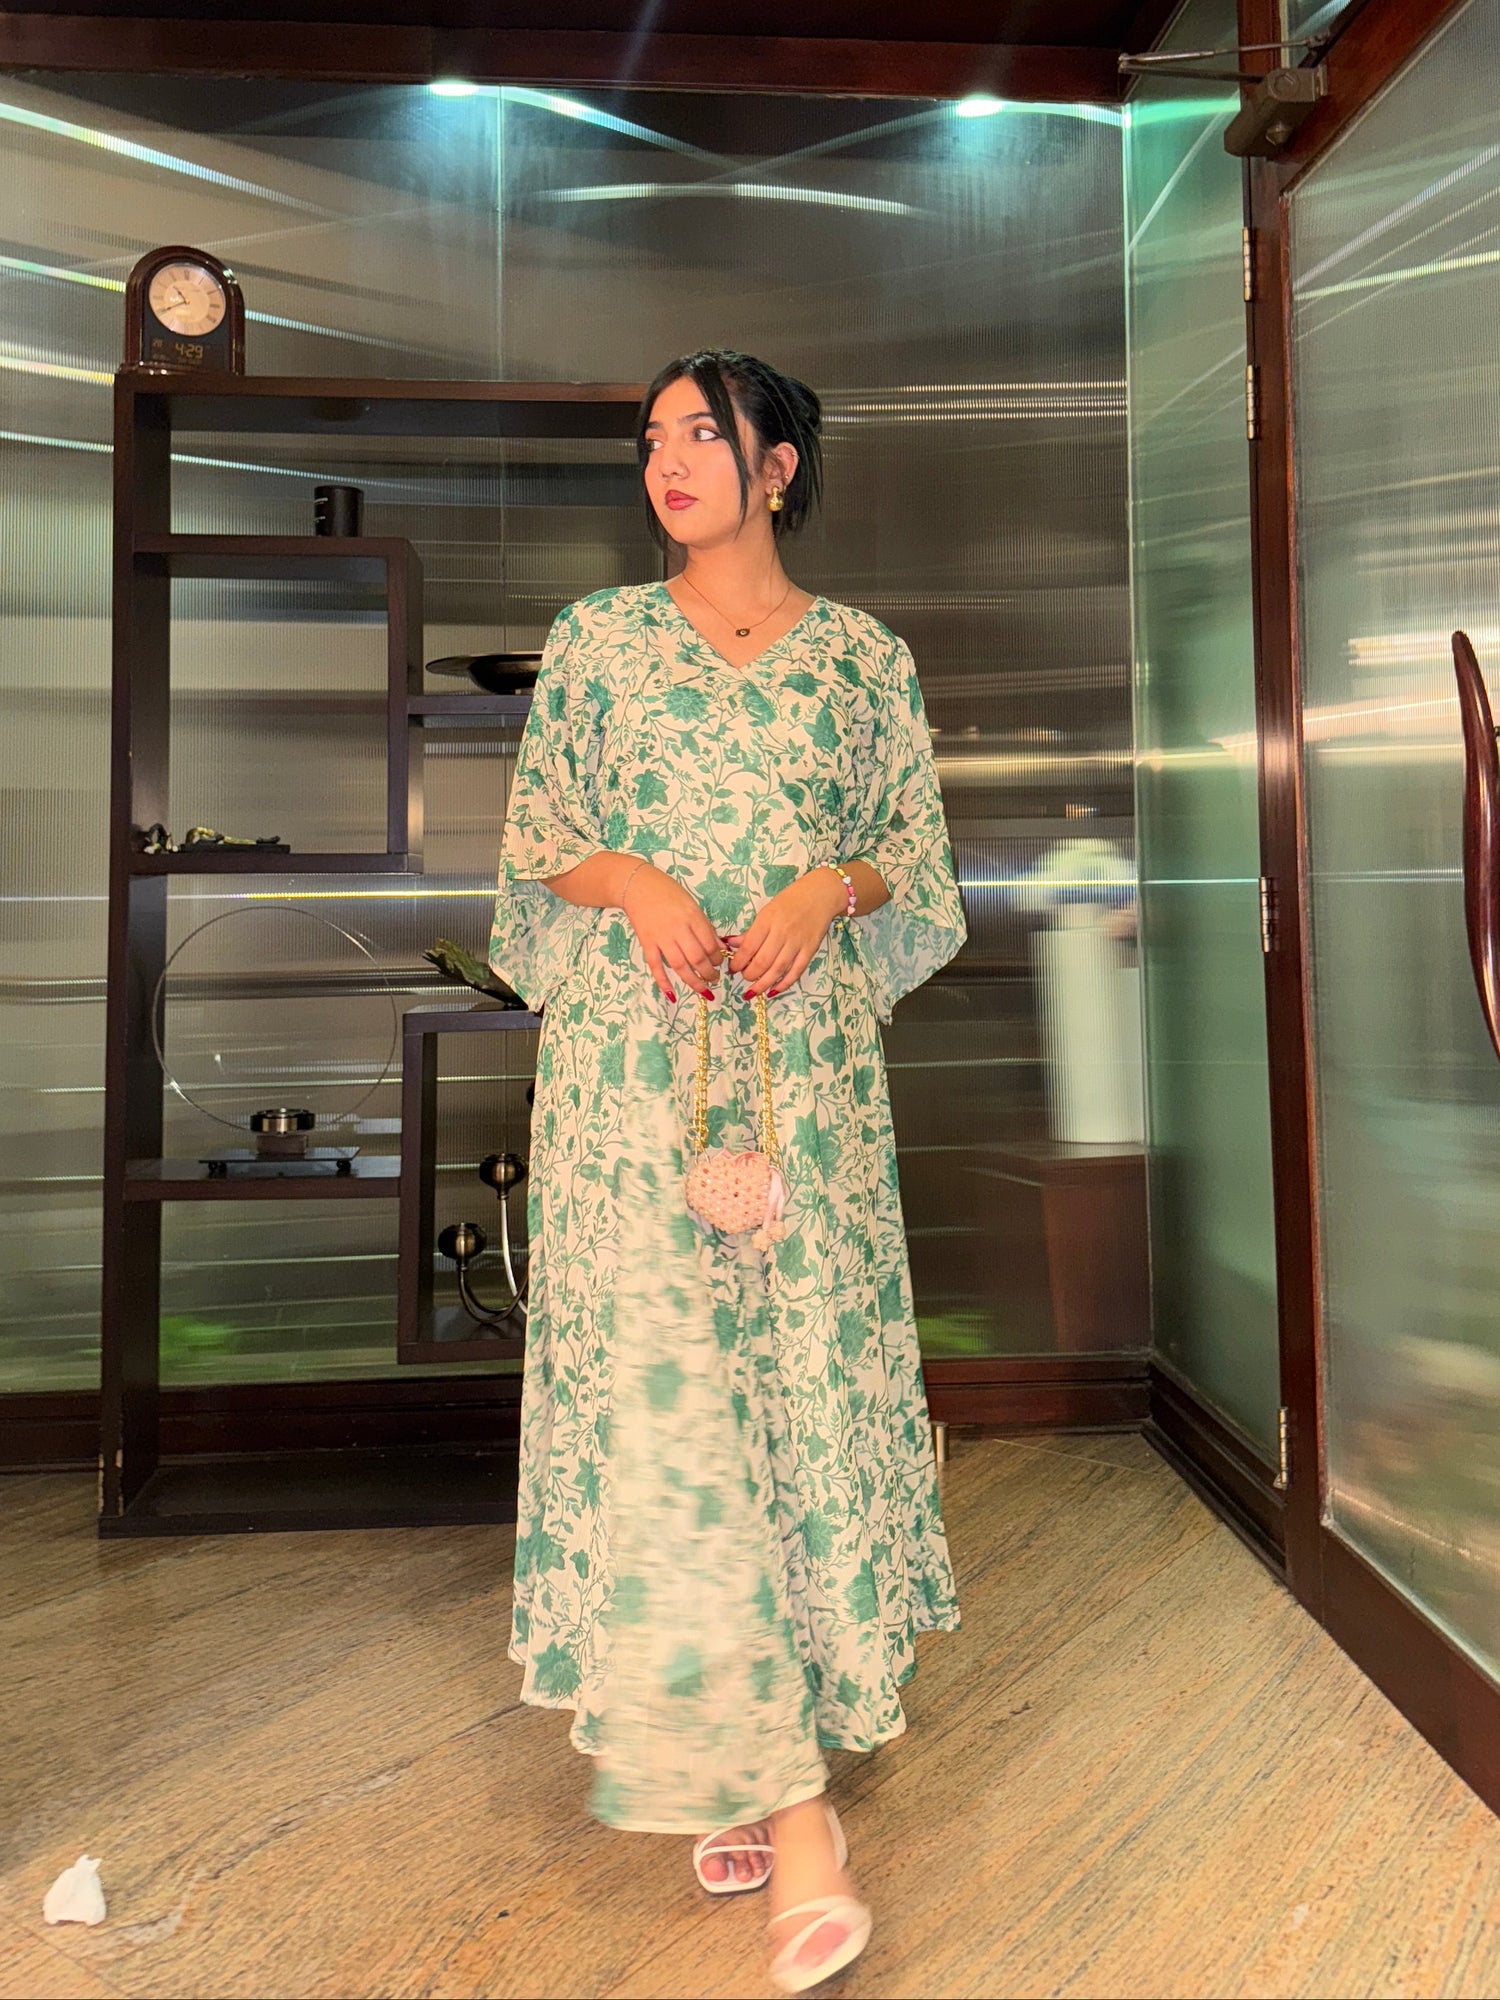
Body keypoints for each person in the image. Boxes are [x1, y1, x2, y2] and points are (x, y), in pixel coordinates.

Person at [488, 347, 967, 1994]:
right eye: (651, 441)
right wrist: (629, 877)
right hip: (629, 1082)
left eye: (704, 434)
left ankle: (747, 1752)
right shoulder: (597, 640)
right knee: (673, 1400)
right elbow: (540, 836)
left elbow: (914, 854)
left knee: (794, 1382)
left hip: (804, 1083)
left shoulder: (864, 659)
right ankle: (792, 1812)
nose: (669, 462)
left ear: (778, 465)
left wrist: (833, 888)